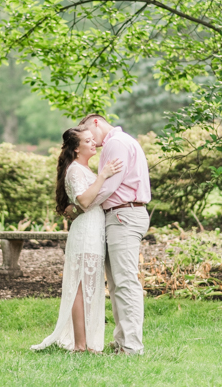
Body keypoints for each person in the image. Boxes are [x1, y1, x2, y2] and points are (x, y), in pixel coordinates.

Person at [31, 126, 122, 353]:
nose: (94, 143)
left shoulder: (85, 169)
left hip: (94, 229)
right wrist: (103, 176)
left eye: (93, 140)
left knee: (91, 286)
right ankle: (80, 345)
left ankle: (89, 341)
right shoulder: (75, 171)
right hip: (85, 232)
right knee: (81, 287)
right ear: (76, 148)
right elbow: (83, 201)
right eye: (88, 141)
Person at [77, 114, 151, 355]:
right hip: (122, 215)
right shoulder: (119, 142)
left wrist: (82, 204)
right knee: (117, 282)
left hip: (124, 215)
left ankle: (132, 346)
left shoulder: (116, 143)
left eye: (88, 132)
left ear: (97, 122)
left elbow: (109, 186)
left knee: (126, 281)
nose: (90, 140)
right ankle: (122, 340)